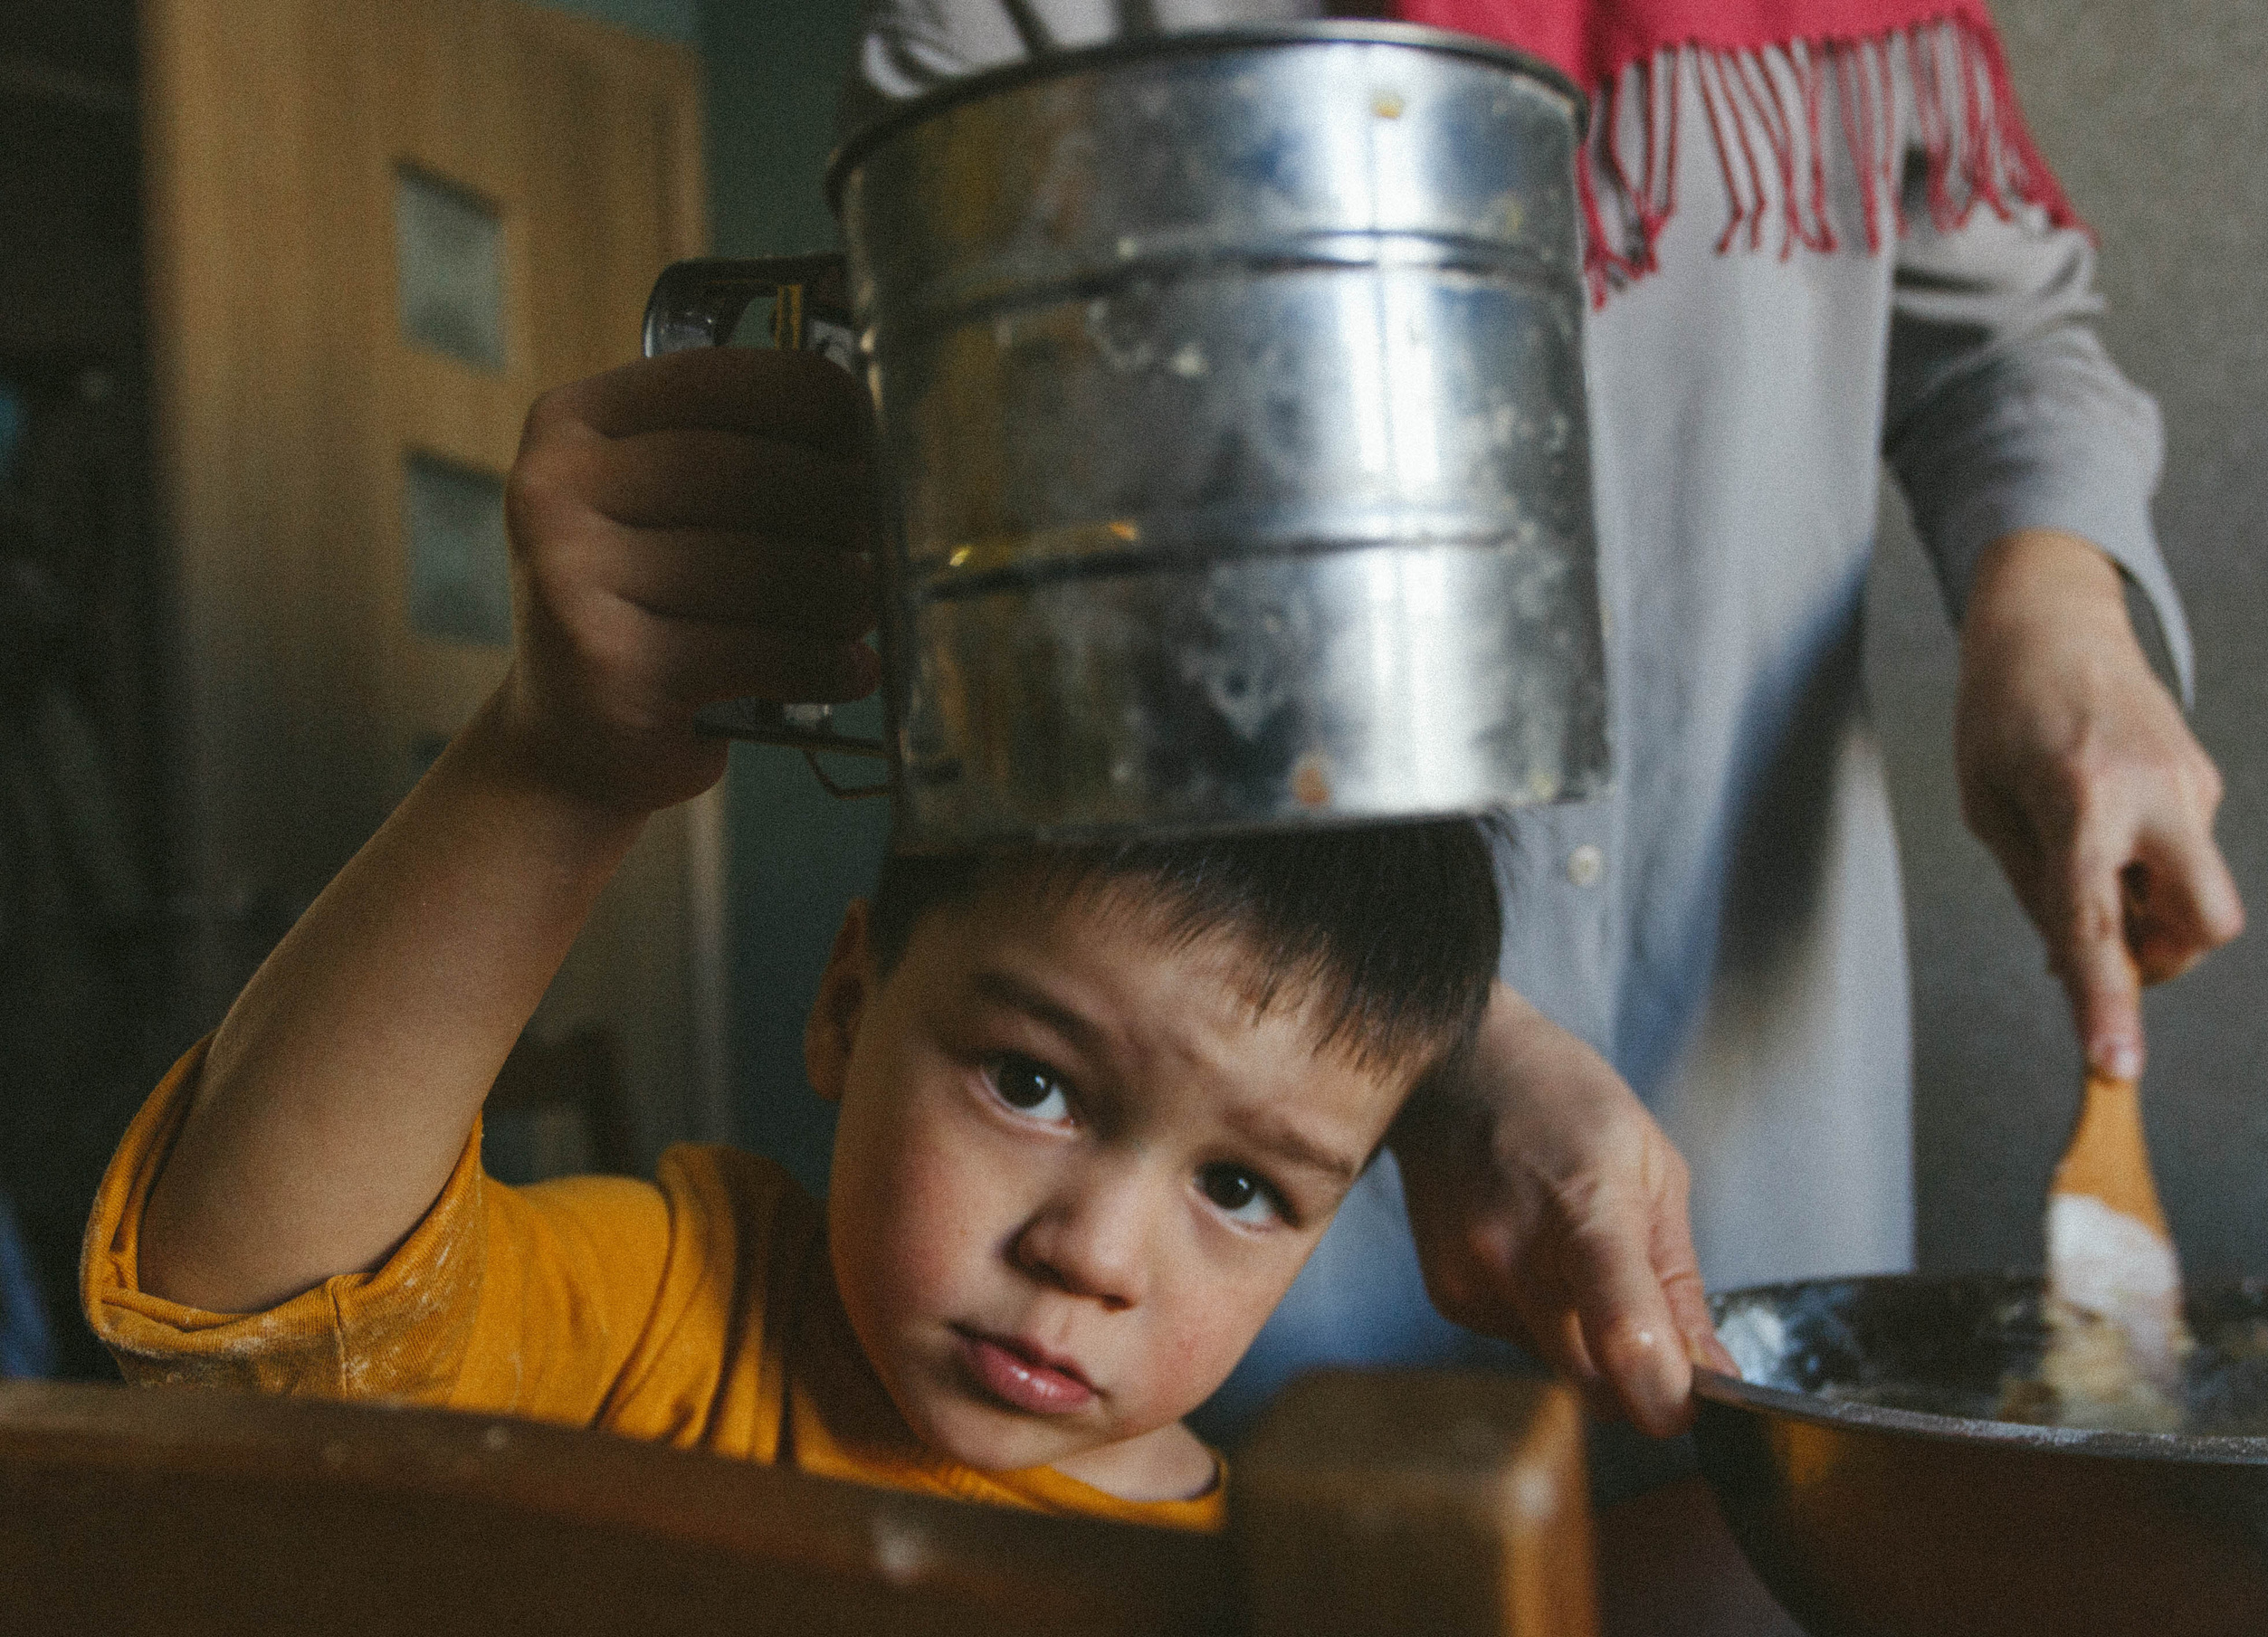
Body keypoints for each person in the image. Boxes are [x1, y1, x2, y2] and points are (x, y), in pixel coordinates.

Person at [843, 0, 2245, 1449]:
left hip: (1748, 1016)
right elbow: (989, 534)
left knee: (1734, 1540)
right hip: (1234, 1114)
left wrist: (2058, 606)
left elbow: (2002, 341)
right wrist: (1435, 1028)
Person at [77, 349, 1504, 1524]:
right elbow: (253, 1316)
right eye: (1033, 1080)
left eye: (1246, 1186)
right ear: (845, 1001)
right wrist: (554, 766)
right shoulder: (675, 1325)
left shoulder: (1274, 1587)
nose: (1096, 1255)